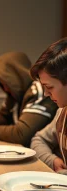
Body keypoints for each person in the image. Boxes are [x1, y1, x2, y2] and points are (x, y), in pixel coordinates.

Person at [0, 52, 58, 147]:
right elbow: (4, 115)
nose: (5, 88)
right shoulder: (16, 94)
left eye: (6, 83)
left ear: (17, 77)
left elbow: (22, 134)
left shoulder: (38, 91)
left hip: (42, 155)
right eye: (2, 84)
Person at [30, 37, 67, 174]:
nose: (45, 94)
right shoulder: (62, 113)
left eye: (49, 87)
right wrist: (52, 160)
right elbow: (39, 140)